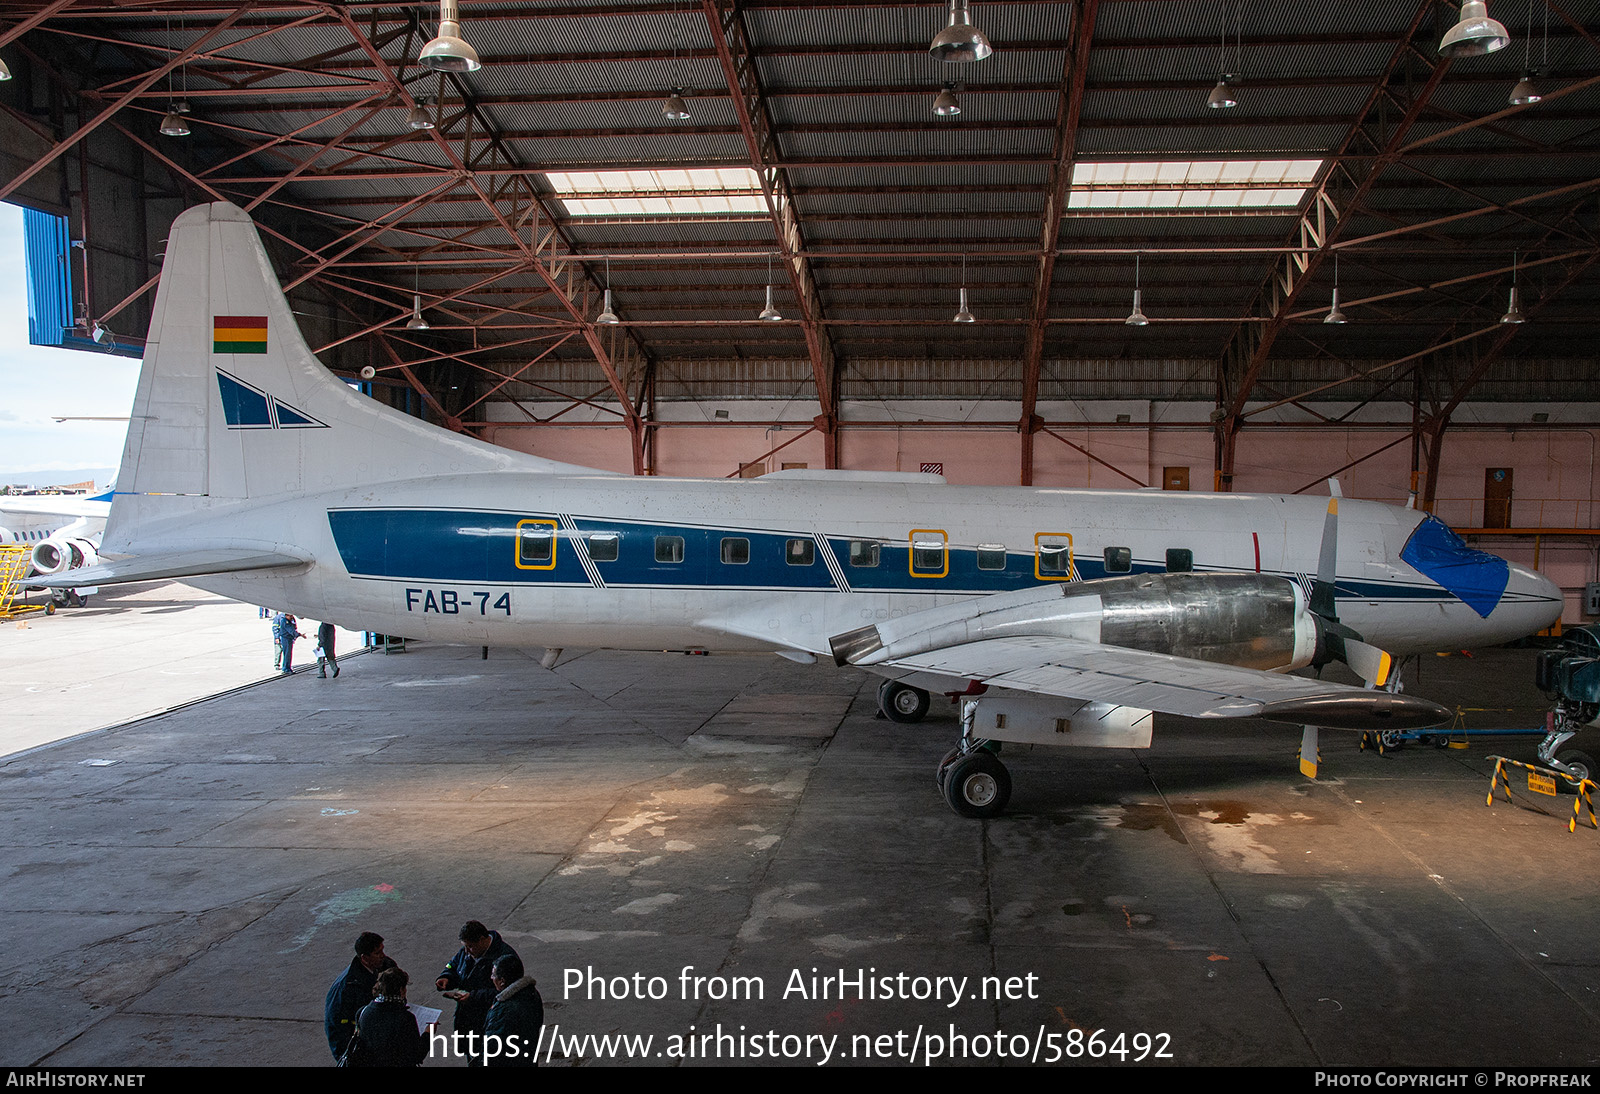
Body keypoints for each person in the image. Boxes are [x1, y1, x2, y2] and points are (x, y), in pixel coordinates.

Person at [435, 920, 518, 1065]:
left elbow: (508, 992)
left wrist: (473, 997)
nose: (466, 951)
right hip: (467, 1022)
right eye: (465, 947)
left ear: (482, 939)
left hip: (487, 1021)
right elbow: (453, 964)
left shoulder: (505, 959)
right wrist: (446, 976)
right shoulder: (468, 951)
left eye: (470, 947)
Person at [324, 931, 396, 1061]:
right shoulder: (348, 989)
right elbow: (338, 1029)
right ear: (364, 958)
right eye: (377, 953)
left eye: (382, 950)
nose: (383, 956)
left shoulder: (382, 966)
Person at [348, 967, 428, 1067]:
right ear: (401, 990)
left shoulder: (362, 1012)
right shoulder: (406, 1019)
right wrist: (427, 1034)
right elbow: (416, 1055)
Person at [484, 953, 543, 1068]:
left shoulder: (504, 1009)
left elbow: (493, 1047)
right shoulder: (531, 994)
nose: (491, 978)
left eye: (493, 975)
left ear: (502, 981)